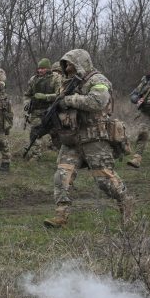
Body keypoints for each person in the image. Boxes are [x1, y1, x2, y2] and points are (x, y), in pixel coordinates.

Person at [43, 49, 130, 228]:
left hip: (94, 138)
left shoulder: (98, 80)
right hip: (71, 139)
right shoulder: (66, 82)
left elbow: (97, 102)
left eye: (70, 64)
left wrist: (68, 100)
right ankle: (61, 216)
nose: (67, 68)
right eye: (65, 64)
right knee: (61, 177)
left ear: (81, 63)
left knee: (104, 180)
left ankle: (126, 205)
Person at [22, 58, 64, 160]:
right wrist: (26, 104)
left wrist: (46, 97)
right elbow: (27, 95)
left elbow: (60, 95)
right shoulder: (33, 79)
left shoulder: (56, 78)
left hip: (52, 111)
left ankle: (63, 156)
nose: (40, 70)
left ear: (48, 68)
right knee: (35, 133)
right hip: (36, 111)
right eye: (39, 68)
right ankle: (36, 155)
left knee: (56, 134)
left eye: (43, 68)